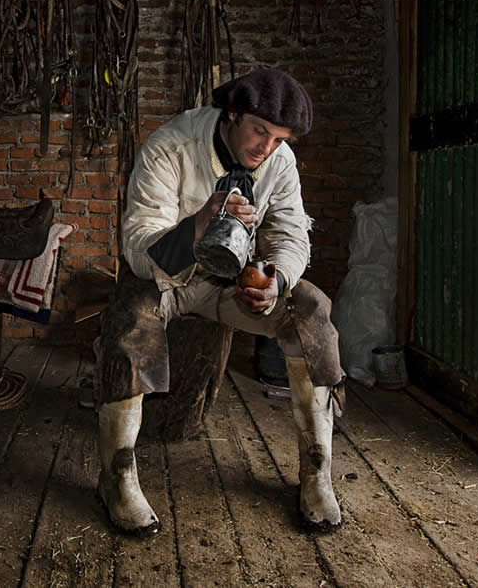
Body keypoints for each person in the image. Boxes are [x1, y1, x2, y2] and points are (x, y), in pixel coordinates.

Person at [96, 68, 346, 536]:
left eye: (279, 139)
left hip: (232, 285)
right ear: (232, 114)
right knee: (130, 317)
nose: (266, 148)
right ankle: (118, 478)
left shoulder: (280, 161)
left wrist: (275, 280)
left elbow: (292, 235)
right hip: (170, 280)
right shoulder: (169, 146)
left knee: (310, 311)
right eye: (259, 132)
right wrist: (200, 220)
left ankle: (316, 473)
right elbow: (137, 248)